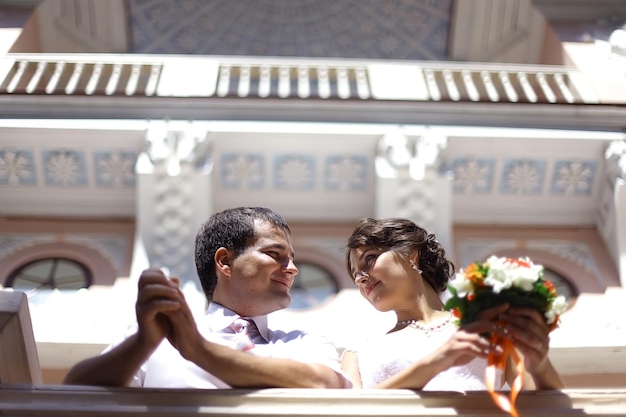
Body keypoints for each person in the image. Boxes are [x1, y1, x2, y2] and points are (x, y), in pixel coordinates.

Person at [63, 207, 349, 389]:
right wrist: (143, 343)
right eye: (275, 255)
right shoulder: (155, 338)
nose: (293, 269)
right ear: (224, 261)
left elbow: (324, 384)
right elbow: (74, 392)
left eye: (291, 259)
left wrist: (199, 350)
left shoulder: (304, 341)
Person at [341, 217, 565, 391]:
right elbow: (349, 413)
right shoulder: (357, 354)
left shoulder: (488, 328)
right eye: (354, 274)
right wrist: (437, 361)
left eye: (370, 258)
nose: (360, 277)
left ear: (411, 254)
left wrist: (540, 366)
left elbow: (548, 408)